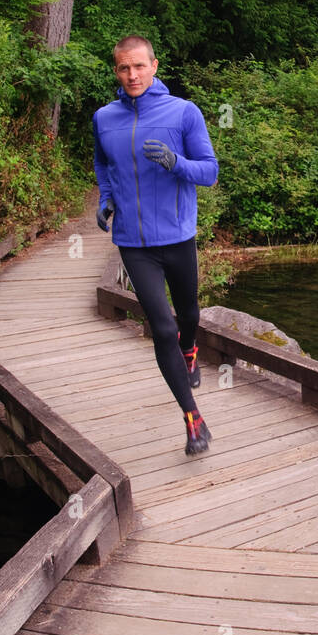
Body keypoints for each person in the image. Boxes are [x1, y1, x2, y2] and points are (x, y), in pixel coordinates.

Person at [92, 35, 219, 455]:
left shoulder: (183, 112)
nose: (132, 75)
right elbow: (103, 164)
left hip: (178, 236)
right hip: (133, 241)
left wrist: (175, 162)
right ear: (116, 70)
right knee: (162, 327)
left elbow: (209, 172)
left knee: (188, 315)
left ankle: (191, 349)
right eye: (124, 68)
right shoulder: (104, 118)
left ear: (154, 66)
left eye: (139, 67)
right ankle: (193, 419)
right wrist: (106, 199)